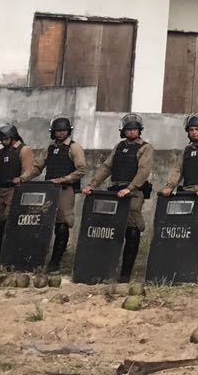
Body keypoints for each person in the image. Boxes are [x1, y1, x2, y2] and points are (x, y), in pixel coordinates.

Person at [84, 113, 154, 282]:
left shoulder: (145, 148)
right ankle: (105, 269)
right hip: (115, 191)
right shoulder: (119, 147)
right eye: (129, 129)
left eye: (135, 129)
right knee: (109, 228)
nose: (132, 132)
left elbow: (143, 171)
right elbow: (107, 167)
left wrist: (129, 188)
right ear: (123, 131)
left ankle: (125, 273)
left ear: (139, 130)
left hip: (133, 192)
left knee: (132, 228)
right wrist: (92, 184)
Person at [160, 114, 198, 277]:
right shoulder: (187, 149)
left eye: (197, 129)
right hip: (186, 193)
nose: (194, 132)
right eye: (191, 130)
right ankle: (184, 267)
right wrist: (169, 186)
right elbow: (177, 170)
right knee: (183, 229)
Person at [29, 116, 85, 272]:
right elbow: (37, 167)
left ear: (69, 131)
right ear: (53, 132)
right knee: (44, 223)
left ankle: (56, 261)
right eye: (58, 131)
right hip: (49, 189)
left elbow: (81, 170)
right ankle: (40, 259)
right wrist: (23, 178)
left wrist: (63, 179)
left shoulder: (74, 147)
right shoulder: (50, 148)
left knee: (62, 225)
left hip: (65, 189)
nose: (61, 133)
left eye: (64, 130)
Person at [0, 125, 35, 251]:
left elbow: (29, 171)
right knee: (1, 224)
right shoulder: (2, 152)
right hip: (1, 189)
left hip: (14, 189)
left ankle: (11, 253)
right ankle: (2, 253)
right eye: (1, 140)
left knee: (9, 222)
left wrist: (21, 179)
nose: (2, 142)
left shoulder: (24, 149)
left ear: (12, 138)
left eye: (5, 139)